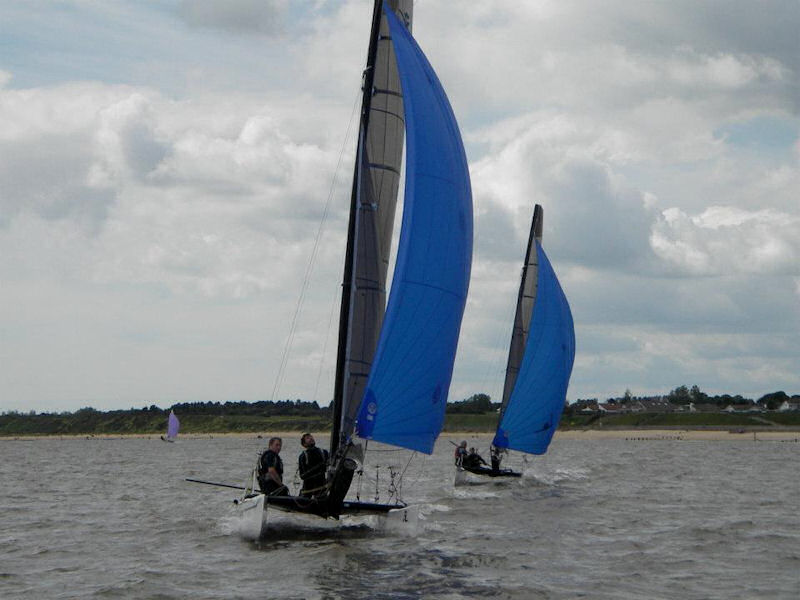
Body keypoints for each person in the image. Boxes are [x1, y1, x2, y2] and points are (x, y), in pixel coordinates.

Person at [298, 433, 329, 497]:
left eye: (311, 437)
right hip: (308, 490)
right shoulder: (303, 456)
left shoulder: (323, 452)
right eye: (308, 438)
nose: (311, 438)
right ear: (304, 444)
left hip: (321, 489)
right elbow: (302, 476)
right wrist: (319, 467)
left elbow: (331, 466)